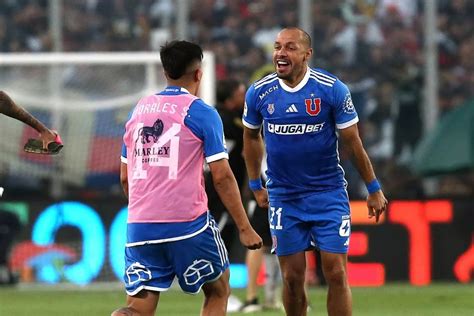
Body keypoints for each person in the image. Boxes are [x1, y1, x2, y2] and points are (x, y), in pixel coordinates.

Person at [242, 27, 388, 316]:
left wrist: (373, 188)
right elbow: (250, 136)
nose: (281, 53)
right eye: (277, 46)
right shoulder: (259, 92)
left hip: (328, 192)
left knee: (335, 272)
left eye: (290, 47)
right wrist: (255, 183)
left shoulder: (331, 89)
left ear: (307, 54)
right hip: (284, 196)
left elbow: (353, 142)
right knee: (293, 277)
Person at [113, 40, 262, 316]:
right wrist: (244, 226)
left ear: (165, 73)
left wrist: (145, 210)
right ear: (198, 74)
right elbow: (222, 177)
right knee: (218, 289)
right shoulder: (203, 113)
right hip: (188, 224)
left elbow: (125, 177)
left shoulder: (139, 111)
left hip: (140, 225)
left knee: (137, 307)